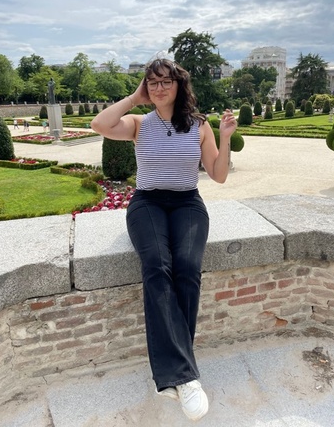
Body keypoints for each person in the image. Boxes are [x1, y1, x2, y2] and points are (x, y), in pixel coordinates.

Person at [91, 58, 237, 422]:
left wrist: (224, 137)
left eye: (164, 82)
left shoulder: (200, 126)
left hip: (188, 202)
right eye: (151, 83)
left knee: (187, 267)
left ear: (178, 84)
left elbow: (218, 176)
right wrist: (133, 98)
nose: (158, 88)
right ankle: (185, 377)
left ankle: (173, 373)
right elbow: (99, 124)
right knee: (157, 265)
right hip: (148, 204)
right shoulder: (139, 124)